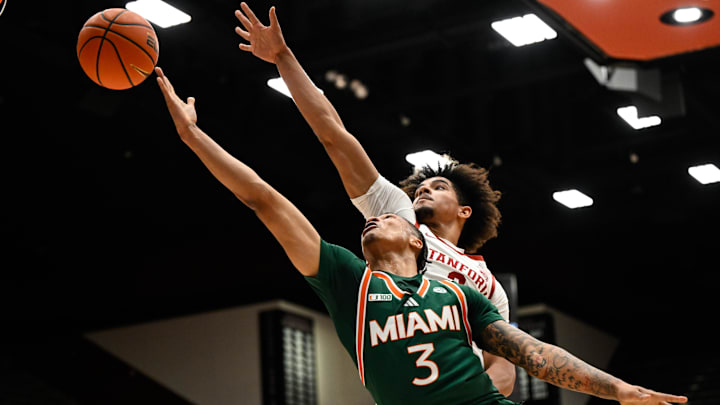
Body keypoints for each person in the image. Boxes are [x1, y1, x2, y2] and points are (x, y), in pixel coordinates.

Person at [154, 65, 688, 405]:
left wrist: (613, 388)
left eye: (434, 188)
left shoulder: (476, 290)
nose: (410, 203)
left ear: (462, 210)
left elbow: (518, 360)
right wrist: (272, 68)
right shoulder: (374, 242)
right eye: (412, 196)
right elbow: (317, 152)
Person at [233, 2, 515, 394]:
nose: (423, 190)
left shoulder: (488, 286)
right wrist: (283, 57)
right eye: (420, 186)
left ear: (465, 211)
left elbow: (502, 367)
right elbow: (333, 133)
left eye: (438, 187)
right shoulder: (398, 217)